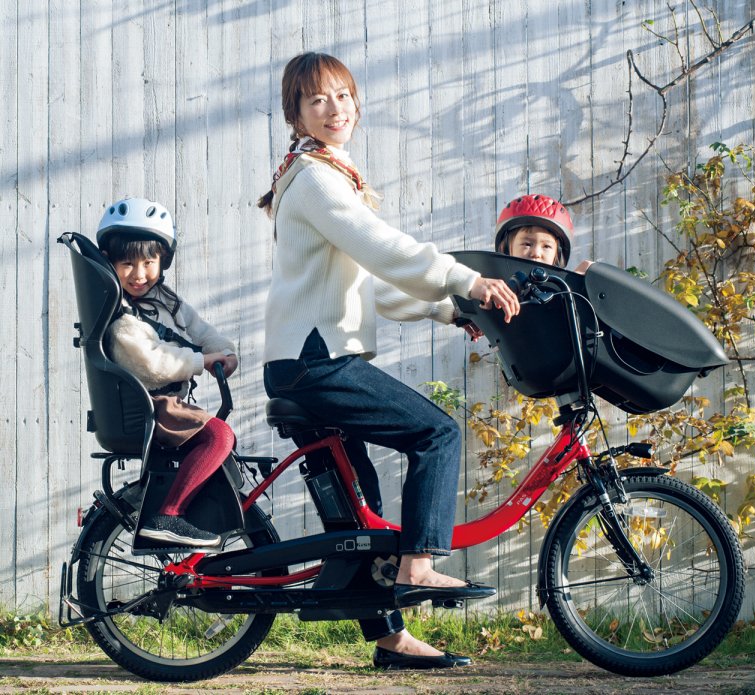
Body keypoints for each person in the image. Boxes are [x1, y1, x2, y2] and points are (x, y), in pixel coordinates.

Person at [258, 52, 519, 670]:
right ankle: (418, 565)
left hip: (304, 359)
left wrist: (447, 310)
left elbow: (366, 283)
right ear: (296, 114)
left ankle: (391, 640)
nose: (335, 109)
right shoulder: (316, 178)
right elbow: (382, 248)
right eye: (318, 100)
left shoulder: (321, 175)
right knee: (436, 432)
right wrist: (465, 280)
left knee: (361, 512)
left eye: (343, 96)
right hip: (316, 361)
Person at [97, 197, 239, 548]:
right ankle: (169, 516)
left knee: (218, 448)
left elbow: (199, 329)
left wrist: (223, 351)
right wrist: (200, 362)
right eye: (127, 263)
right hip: (151, 404)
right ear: (110, 263)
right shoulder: (121, 318)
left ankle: (185, 512)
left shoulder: (165, 299)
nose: (139, 274)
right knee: (219, 437)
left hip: (169, 402)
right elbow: (152, 362)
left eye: (148, 262)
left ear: (164, 260)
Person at [494, 193, 592, 273]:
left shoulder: (565, 290)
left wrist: (576, 283)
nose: (536, 253)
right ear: (505, 249)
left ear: (558, 255)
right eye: (527, 244)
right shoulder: (492, 287)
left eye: (546, 246)